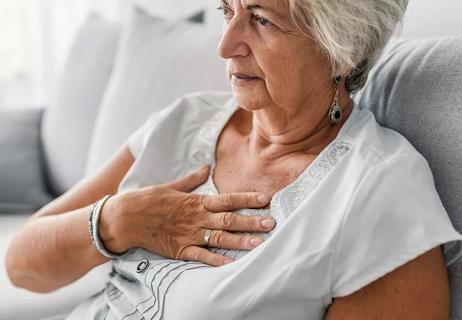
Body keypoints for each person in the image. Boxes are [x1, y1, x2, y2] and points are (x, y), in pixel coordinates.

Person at [6, 0, 462, 319]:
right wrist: (119, 219)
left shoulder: (379, 192)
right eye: (228, 9)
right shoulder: (183, 121)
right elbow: (22, 265)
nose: (225, 45)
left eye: (261, 19)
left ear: (342, 45)